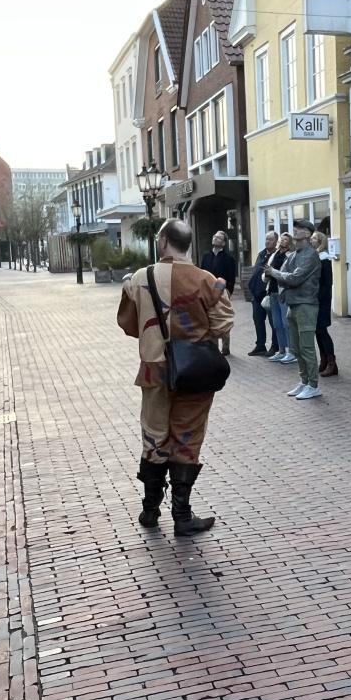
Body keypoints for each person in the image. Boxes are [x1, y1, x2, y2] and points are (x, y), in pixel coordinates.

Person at [116, 218, 233, 536]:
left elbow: (127, 323)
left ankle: (150, 510)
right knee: (187, 438)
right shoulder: (207, 279)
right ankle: (182, 515)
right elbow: (224, 324)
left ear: (164, 241)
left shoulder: (140, 278)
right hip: (194, 374)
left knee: (154, 436)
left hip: (154, 373)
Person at [265, 220, 322, 399]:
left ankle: (313, 384)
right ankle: (304, 381)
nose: (295, 231)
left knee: (306, 347)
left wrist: (275, 273)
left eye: (300, 229)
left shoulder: (311, 255)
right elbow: (284, 277)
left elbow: (294, 278)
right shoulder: (292, 256)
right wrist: (281, 277)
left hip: (306, 305)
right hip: (293, 305)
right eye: (295, 228)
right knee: (296, 348)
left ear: (308, 234)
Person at [199, 231, 237, 355]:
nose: (215, 238)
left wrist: (227, 292)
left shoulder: (228, 259)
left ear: (224, 243)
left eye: (219, 238)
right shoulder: (206, 256)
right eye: (214, 236)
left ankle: (225, 347)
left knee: (222, 317)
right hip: (208, 292)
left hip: (222, 293)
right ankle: (213, 346)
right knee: (210, 317)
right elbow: (201, 274)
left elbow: (231, 278)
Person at [310, 231, 338, 377]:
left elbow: (327, 284)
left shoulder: (324, 259)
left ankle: (332, 363)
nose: (311, 240)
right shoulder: (315, 257)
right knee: (317, 331)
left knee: (322, 330)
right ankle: (324, 360)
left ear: (320, 241)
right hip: (315, 301)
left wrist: (318, 298)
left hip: (322, 301)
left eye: (314, 238)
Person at [247, 231, 278, 356]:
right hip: (257, 294)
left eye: (270, 239)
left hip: (269, 294)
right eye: (266, 239)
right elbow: (256, 272)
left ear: (276, 241)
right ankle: (260, 345)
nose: (267, 241)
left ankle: (275, 346)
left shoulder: (276, 255)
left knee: (273, 321)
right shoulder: (261, 254)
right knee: (258, 320)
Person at [265, 233, 294, 364]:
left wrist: (273, 272)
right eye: (282, 239)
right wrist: (266, 274)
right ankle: (281, 350)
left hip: (283, 292)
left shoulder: (291, 256)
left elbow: (288, 275)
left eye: (286, 239)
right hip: (272, 290)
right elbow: (267, 270)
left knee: (286, 323)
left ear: (290, 242)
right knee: (276, 324)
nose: (282, 241)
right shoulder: (274, 254)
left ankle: (291, 351)